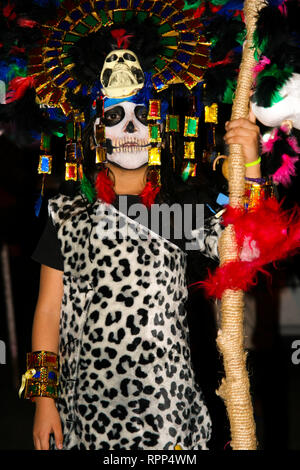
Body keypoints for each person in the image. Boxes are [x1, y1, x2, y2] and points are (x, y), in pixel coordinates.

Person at [28, 98, 262, 450]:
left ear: (158, 129)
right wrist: (43, 400)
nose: (132, 127)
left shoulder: (177, 211)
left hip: (165, 409)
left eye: (143, 114)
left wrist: (253, 164)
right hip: (86, 409)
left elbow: (249, 250)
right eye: (114, 116)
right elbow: (47, 311)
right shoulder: (68, 213)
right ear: (94, 131)